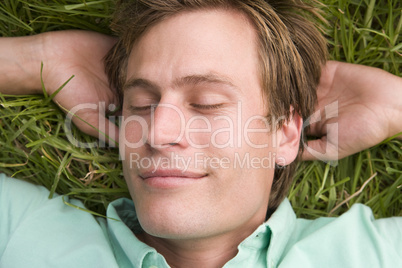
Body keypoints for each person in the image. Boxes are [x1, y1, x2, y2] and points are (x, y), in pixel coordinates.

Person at [0, 0, 401, 267]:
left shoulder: (373, 256)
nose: (157, 132)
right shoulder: (19, 232)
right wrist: (38, 60)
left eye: (207, 103)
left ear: (284, 134)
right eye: (140, 104)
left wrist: (393, 104)